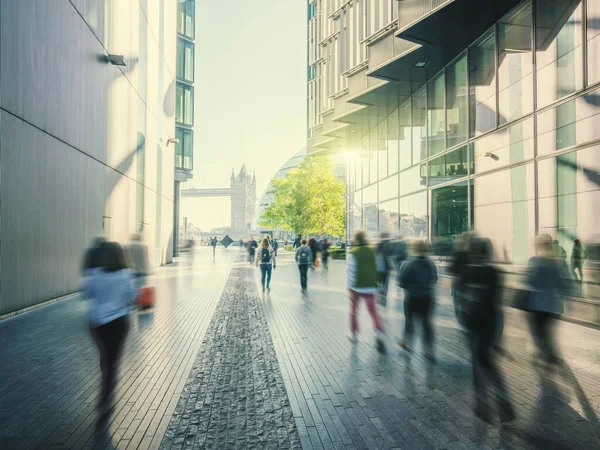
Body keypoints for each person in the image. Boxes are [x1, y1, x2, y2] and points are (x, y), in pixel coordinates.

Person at [463, 238, 515, 423]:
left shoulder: (469, 272)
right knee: (487, 362)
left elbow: (466, 299)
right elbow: (497, 300)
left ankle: (484, 402)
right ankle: (499, 401)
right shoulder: (495, 272)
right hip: (493, 322)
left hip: (474, 324)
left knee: (478, 362)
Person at [83, 242, 135, 411]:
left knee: (105, 355)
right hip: (119, 322)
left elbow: (87, 293)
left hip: (98, 323)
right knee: (114, 358)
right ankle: (106, 393)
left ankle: (106, 381)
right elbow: (131, 297)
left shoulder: (94, 274)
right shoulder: (126, 275)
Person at [521, 234, 569, 366]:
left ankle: (549, 356)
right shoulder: (560, 262)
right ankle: (548, 355)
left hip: (536, 304)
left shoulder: (534, 261)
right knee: (546, 332)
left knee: (538, 332)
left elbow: (527, 280)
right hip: (553, 305)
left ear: (538, 245)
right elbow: (564, 285)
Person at [398, 240, 438, 360]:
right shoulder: (430, 263)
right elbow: (434, 279)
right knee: (427, 323)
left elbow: (402, 282)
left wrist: (411, 287)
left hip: (412, 298)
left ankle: (407, 344)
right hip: (427, 298)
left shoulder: (407, 263)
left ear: (414, 248)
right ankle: (429, 351)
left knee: (409, 322)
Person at [347, 231, 386, 353]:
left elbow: (350, 272)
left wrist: (350, 287)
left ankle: (354, 335)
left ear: (356, 239)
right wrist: (379, 285)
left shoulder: (353, 253)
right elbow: (380, 268)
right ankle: (379, 334)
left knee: (354, 311)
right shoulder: (373, 251)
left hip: (356, 288)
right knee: (373, 311)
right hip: (371, 287)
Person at [449, 233, 474, 328]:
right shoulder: (472, 254)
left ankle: (461, 319)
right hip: (467, 284)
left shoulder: (457, 253)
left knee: (458, 302)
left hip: (459, 283)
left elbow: (452, 269)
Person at [376, 232, 394, 306]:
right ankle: (384, 296)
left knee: (379, 282)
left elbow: (376, 255)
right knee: (386, 283)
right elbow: (390, 256)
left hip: (379, 267)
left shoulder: (379, 244)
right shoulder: (390, 244)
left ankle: (380, 294)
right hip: (386, 267)